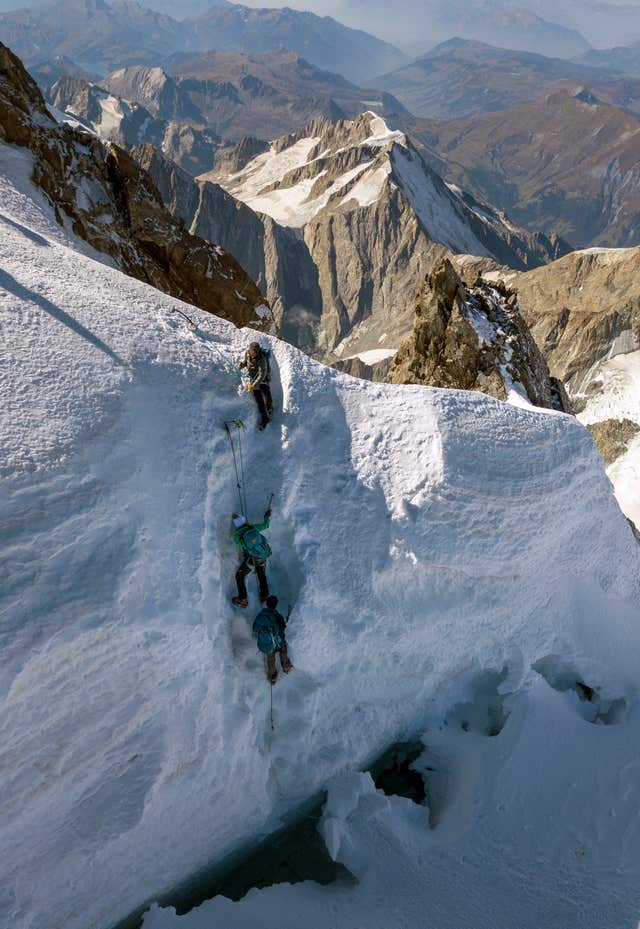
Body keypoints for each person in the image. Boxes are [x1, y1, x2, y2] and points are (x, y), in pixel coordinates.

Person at [231, 509, 272, 607]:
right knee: (261, 575)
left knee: (239, 576)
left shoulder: (238, 536)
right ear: (245, 521)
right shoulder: (253, 528)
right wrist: (267, 516)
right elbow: (266, 525)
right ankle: (265, 595)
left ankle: (243, 599)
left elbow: (237, 542)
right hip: (263, 555)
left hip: (252, 560)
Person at [252, 595, 293, 684]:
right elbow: (282, 630)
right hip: (277, 642)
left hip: (266, 643)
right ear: (276, 604)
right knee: (283, 648)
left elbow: (255, 628)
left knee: (270, 658)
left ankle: (272, 676)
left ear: (267, 604)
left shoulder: (261, 615)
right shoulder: (278, 616)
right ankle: (285, 666)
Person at [238, 341, 273, 430]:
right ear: (250, 350)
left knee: (265, 388)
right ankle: (265, 417)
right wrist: (243, 364)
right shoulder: (247, 353)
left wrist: (253, 385)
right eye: (252, 351)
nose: (253, 354)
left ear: (258, 352)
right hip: (253, 376)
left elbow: (262, 374)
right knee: (259, 399)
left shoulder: (262, 360)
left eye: (255, 352)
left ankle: (269, 405)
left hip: (262, 376)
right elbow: (247, 362)